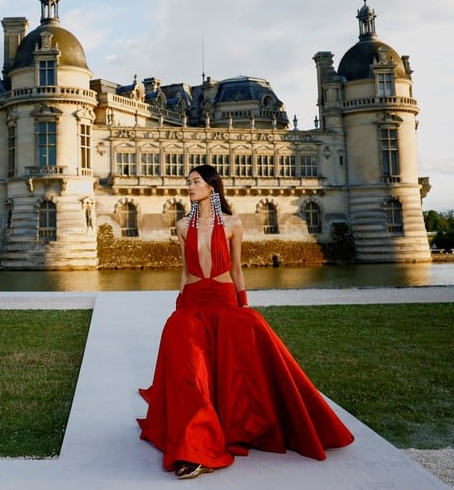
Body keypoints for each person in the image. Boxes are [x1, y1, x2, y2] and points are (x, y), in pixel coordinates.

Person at [137, 165, 354, 480]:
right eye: (187, 182)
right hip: (194, 304)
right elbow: (185, 271)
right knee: (190, 374)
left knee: (241, 366)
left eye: (195, 181)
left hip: (226, 302)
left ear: (212, 185)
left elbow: (237, 269)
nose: (189, 185)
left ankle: (204, 445)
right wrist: (180, 305)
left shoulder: (233, 223)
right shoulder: (183, 225)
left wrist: (243, 305)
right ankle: (196, 445)